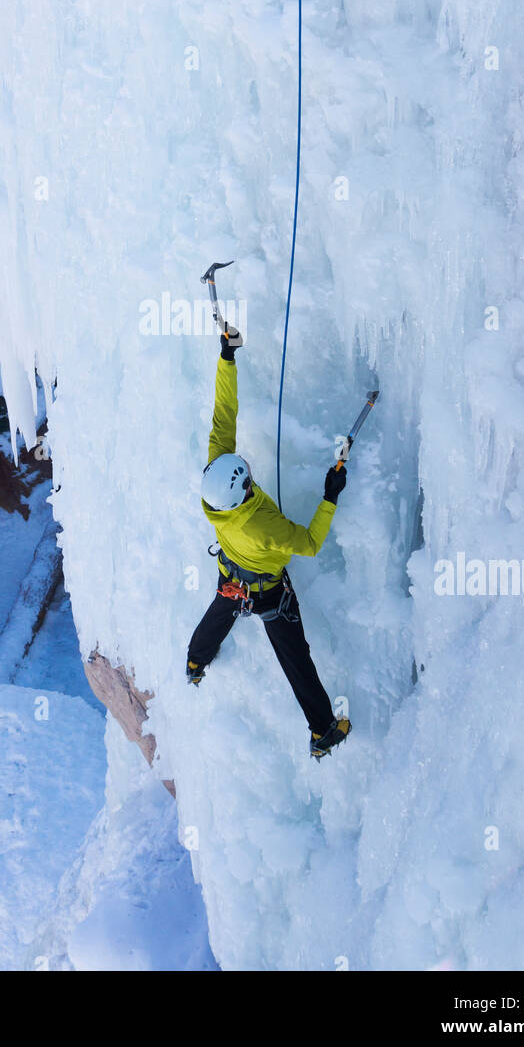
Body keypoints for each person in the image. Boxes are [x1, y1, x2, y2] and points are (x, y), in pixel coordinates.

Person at [186, 322, 352, 758]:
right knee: (295, 658)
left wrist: (227, 358)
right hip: (268, 593)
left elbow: (224, 415)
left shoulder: (215, 487)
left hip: (231, 573)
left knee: (222, 607)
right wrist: (330, 497)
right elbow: (310, 543)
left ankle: (196, 661)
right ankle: (322, 731)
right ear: (240, 495)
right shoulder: (262, 525)